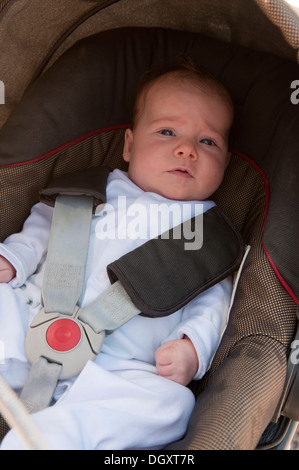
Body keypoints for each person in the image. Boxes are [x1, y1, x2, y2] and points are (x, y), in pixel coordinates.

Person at [0, 60, 234, 450]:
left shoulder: (206, 230)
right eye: (167, 131)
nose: (186, 149)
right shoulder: (94, 191)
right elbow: (45, 225)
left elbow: (214, 301)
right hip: (30, 322)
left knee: (173, 405)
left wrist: (193, 347)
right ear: (129, 145)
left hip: (118, 369)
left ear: (225, 164)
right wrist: (16, 257)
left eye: (207, 142)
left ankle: (56, 437)